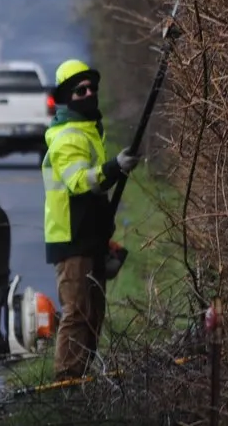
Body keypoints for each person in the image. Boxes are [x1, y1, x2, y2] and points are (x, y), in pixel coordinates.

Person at [42, 59, 139, 380]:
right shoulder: (67, 137)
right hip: (71, 239)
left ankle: (80, 375)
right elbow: (81, 182)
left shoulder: (88, 131)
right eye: (80, 90)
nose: (89, 94)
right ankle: (66, 381)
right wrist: (115, 167)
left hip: (90, 237)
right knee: (77, 310)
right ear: (67, 96)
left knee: (94, 313)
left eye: (92, 88)